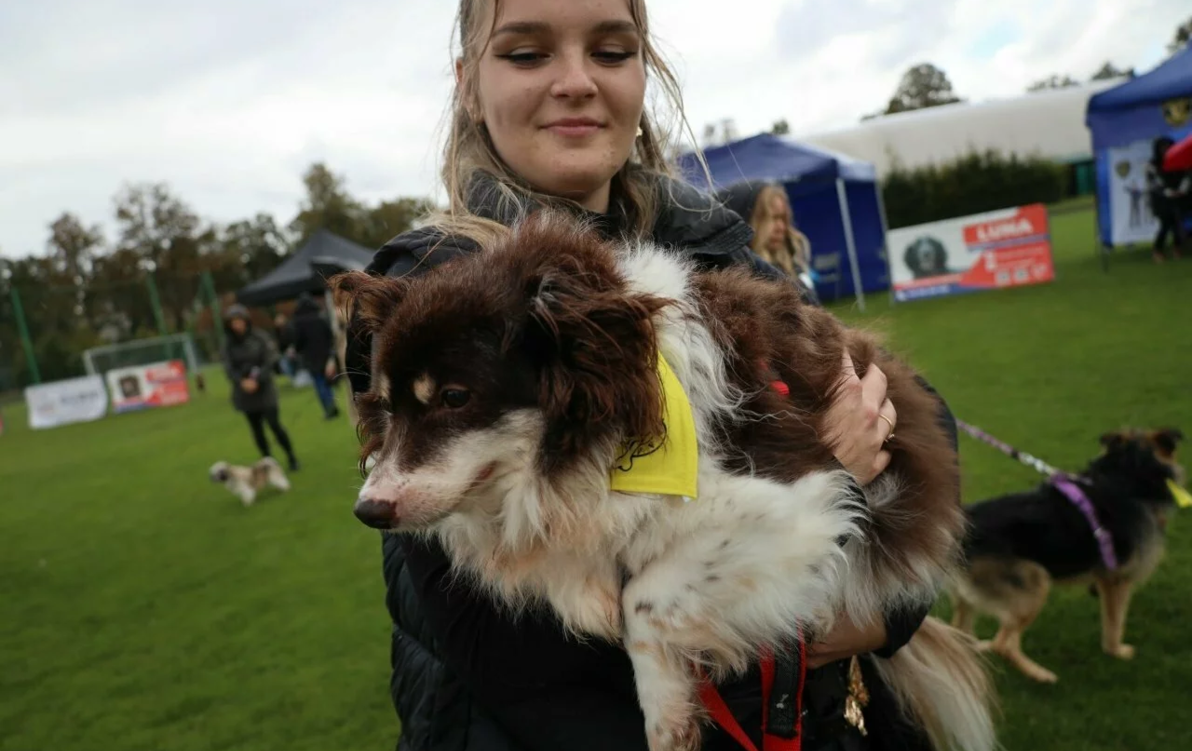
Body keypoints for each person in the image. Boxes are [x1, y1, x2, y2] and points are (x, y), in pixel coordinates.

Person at [341, 2, 957, 749]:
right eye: (527, 54)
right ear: (469, 84)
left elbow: (925, 421)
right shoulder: (432, 296)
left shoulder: (712, 248)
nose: (575, 81)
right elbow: (512, 651)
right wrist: (818, 485)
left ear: (644, 71)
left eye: (609, 50)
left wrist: (887, 615)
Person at [222, 304, 300, 472]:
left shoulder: (259, 338)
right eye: (233, 322)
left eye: (239, 321)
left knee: (274, 424)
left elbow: (270, 359)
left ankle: (291, 456)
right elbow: (228, 367)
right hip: (245, 393)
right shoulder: (228, 344)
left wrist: (257, 379)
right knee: (257, 430)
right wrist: (241, 381)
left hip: (264, 390)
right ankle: (269, 463)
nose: (237, 325)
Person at [718, 181, 817, 300]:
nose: (781, 227)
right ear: (747, 221)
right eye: (772, 218)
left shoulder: (794, 267)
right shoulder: (732, 280)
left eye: (783, 218)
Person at [289, 292, 340, 420]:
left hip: (311, 358)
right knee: (327, 382)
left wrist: (296, 350)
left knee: (319, 384)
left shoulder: (299, 322)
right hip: (325, 356)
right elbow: (330, 337)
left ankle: (329, 409)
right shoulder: (320, 318)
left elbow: (298, 341)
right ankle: (332, 405)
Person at [1145, 136, 1190, 263]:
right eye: (1162, 147)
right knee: (1165, 224)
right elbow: (1154, 182)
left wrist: (1182, 189)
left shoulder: (1179, 160)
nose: (1165, 150)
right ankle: (1157, 250)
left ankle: (1177, 248)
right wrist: (1168, 192)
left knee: (1177, 224)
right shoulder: (1152, 164)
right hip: (1161, 200)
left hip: (1179, 197)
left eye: (1168, 147)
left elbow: (1187, 175)